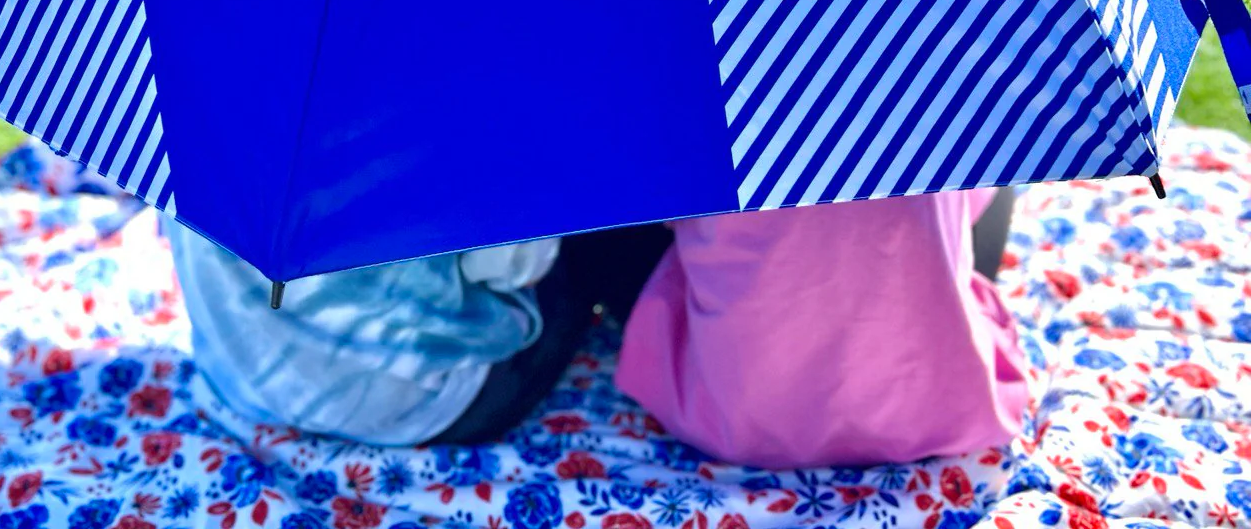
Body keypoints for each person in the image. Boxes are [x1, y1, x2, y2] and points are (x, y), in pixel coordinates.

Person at [614, 188, 1026, 469]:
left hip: (737, 415)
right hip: (940, 406)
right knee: (989, 193)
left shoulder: (696, 85)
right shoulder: (941, 79)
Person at [165, 223, 591, 445]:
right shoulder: (450, 98)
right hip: (426, 405)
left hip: (241, 380)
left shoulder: (189, 87)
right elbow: (514, 266)